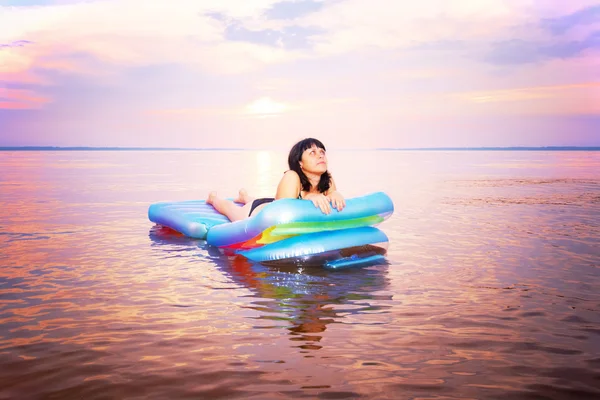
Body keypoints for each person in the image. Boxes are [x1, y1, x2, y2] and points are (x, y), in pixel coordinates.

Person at [206, 138, 346, 222]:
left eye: (322, 152)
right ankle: (214, 199)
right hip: (258, 213)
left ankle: (244, 196)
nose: (320, 156)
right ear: (300, 163)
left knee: (259, 199)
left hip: (271, 201)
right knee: (231, 209)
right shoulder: (292, 176)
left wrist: (335, 194)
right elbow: (282, 210)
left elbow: (332, 201)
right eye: (312, 153)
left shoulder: (327, 179)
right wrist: (309, 196)